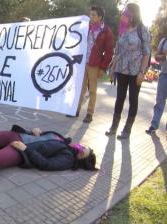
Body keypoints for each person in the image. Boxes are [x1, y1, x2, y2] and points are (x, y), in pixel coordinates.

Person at [106, 3, 151, 139]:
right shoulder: (123, 30)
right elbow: (117, 52)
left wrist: (142, 72)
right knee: (119, 98)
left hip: (135, 72)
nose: (123, 15)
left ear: (133, 14)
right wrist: (113, 70)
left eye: (126, 12)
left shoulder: (142, 30)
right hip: (121, 70)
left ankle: (127, 129)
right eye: (124, 12)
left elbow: (147, 53)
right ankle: (114, 126)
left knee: (133, 99)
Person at [69, 6, 114, 123]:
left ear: (100, 17)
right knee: (80, 88)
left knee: (92, 90)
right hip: (82, 62)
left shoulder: (106, 31)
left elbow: (109, 52)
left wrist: (103, 68)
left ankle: (89, 113)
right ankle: (76, 110)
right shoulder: (85, 27)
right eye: (90, 14)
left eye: (93, 15)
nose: (91, 17)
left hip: (95, 64)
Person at [146, 36, 167, 134]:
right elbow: (157, 57)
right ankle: (154, 125)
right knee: (159, 102)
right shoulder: (163, 41)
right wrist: (163, 56)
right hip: (163, 75)